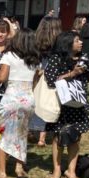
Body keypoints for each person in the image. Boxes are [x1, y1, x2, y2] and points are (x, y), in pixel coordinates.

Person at [0, 28, 40, 178]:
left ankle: (2, 172)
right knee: (22, 132)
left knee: (3, 133)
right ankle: (19, 167)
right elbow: (35, 83)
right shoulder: (34, 59)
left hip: (11, 97)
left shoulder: (9, 56)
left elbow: (2, 78)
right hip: (28, 99)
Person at [43, 32, 89, 178]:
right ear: (68, 43)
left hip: (78, 103)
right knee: (58, 136)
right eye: (77, 41)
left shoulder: (84, 58)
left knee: (75, 137)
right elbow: (51, 80)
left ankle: (71, 171)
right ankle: (57, 169)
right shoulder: (56, 59)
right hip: (61, 103)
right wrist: (72, 73)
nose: (81, 43)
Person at [30, 16, 64, 147]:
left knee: (36, 99)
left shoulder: (36, 40)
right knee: (48, 100)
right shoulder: (59, 43)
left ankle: (32, 130)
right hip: (50, 74)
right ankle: (42, 137)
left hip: (36, 73)